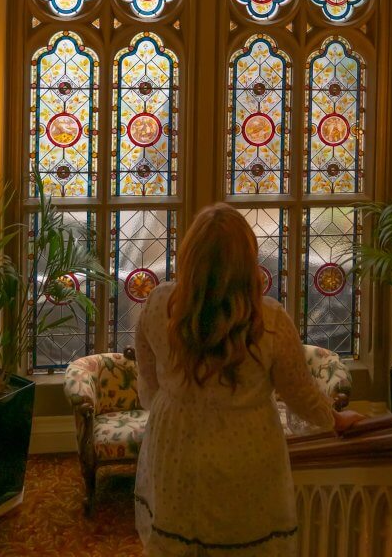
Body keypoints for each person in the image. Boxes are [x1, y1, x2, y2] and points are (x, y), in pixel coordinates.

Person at [134, 203, 364, 556]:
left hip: (174, 441)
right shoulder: (268, 318)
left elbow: (148, 378)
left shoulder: (159, 303)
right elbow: (300, 392)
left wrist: (171, 405)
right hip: (245, 446)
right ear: (246, 259)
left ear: (189, 254)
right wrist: (333, 419)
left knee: (175, 539)